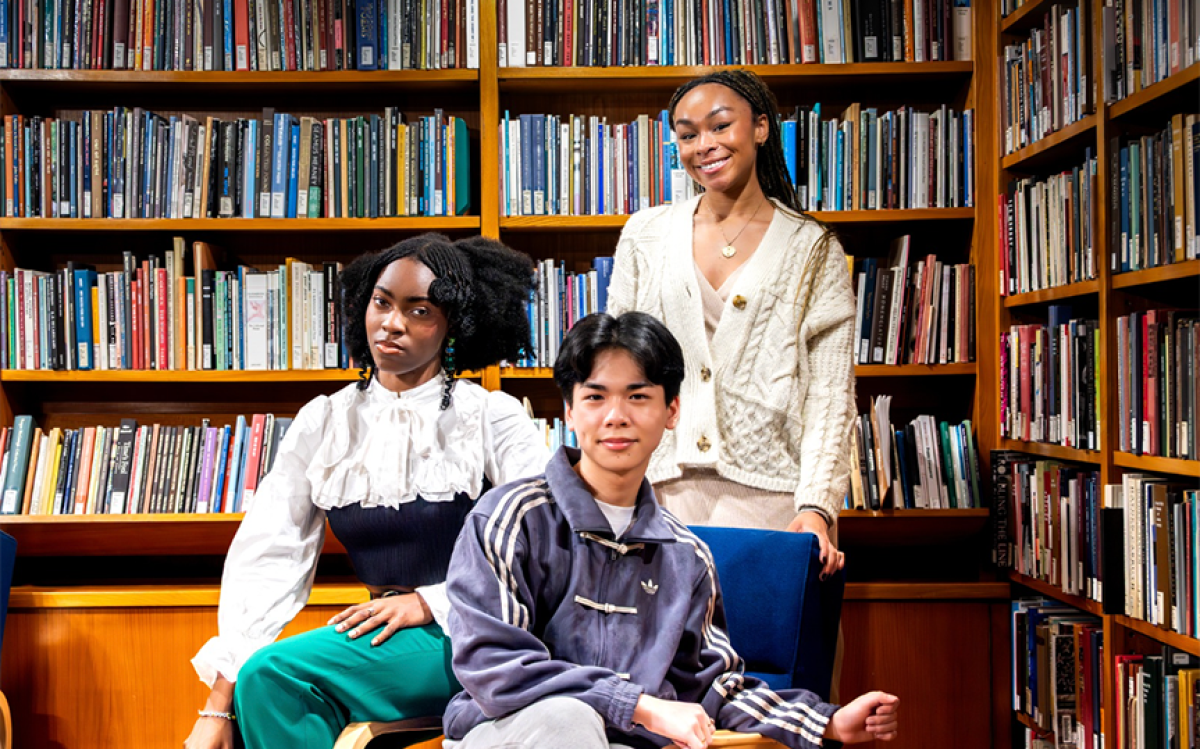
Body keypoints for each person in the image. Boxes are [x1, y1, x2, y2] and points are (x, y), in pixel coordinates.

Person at [442, 312, 898, 749]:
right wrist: (638, 705)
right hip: (507, 732)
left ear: (671, 410)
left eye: (637, 396)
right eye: (595, 397)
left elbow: (714, 686)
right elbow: (492, 666)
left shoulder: (686, 556)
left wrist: (827, 721)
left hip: (623, 742)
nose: (615, 416)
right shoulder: (510, 517)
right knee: (568, 719)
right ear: (570, 410)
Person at [183, 233, 551, 749]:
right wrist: (217, 705)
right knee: (256, 695)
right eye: (382, 302)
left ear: (453, 326)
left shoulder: (491, 416)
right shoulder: (325, 420)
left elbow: (541, 546)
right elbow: (269, 558)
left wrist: (428, 602)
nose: (391, 323)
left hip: (479, 634)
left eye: (419, 311)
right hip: (384, 640)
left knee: (276, 678)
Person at [606, 70, 856, 579]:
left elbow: (830, 394)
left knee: (766, 651)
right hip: (656, 496)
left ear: (761, 127)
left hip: (776, 503)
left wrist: (816, 505)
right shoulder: (645, 235)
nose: (705, 145)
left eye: (721, 126)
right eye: (688, 133)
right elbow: (615, 369)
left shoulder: (812, 249)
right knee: (658, 655)